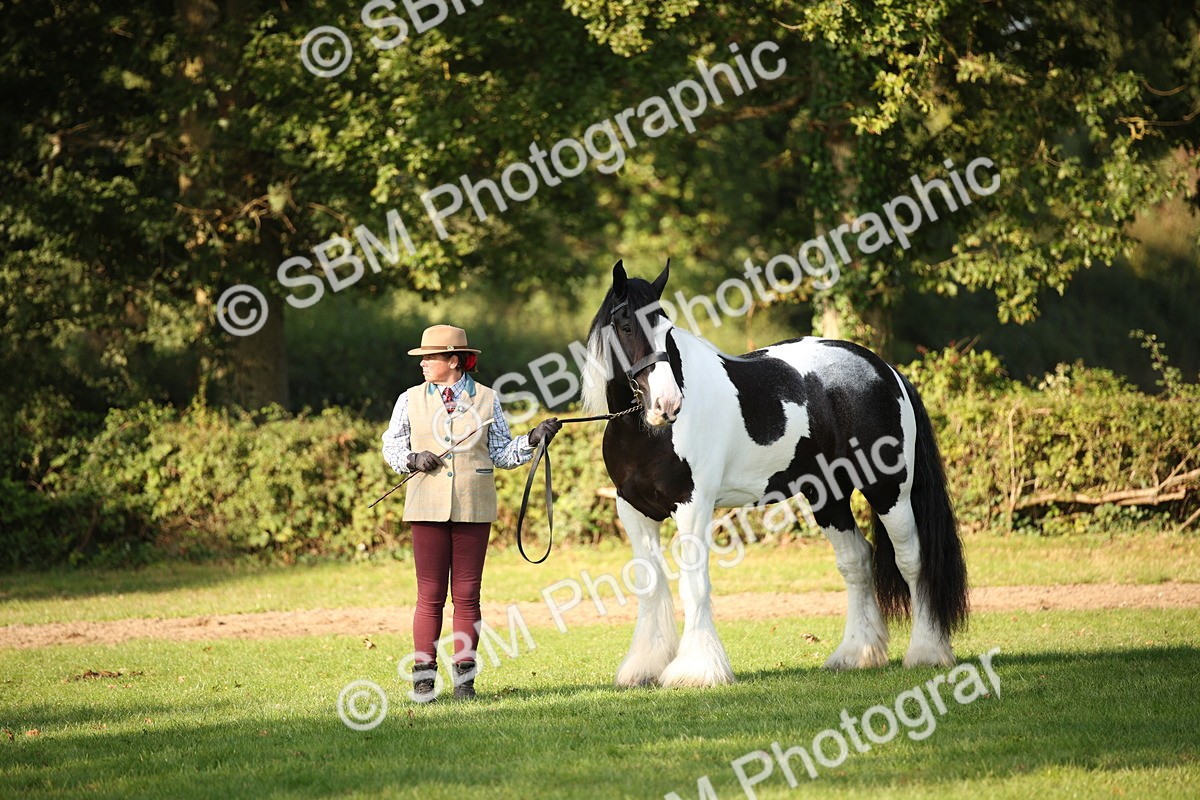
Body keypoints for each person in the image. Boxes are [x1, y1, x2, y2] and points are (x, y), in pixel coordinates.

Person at [381, 324, 561, 702]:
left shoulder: (487, 399)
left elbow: (501, 453)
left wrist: (533, 439)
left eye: (430, 357)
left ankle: (465, 682)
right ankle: (423, 680)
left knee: (467, 595)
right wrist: (412, 458)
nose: (422, 363)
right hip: (426, 506)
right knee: (430, 595)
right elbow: (391, 446)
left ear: (453, 360)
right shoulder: (408, 399)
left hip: (473, 505)